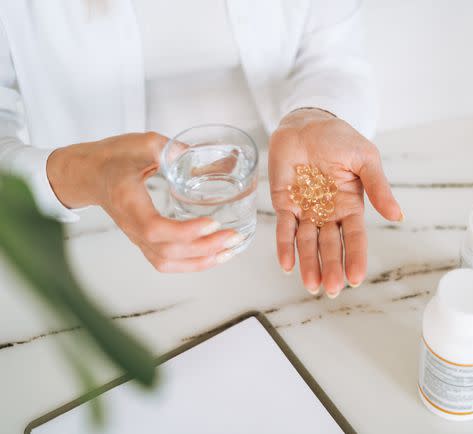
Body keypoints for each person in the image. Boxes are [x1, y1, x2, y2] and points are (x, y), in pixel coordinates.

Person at [0, 0, 402, 298]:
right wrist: (79, 174)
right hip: (83, 225)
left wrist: (316, 113)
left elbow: (332, 56)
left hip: (276, 195)